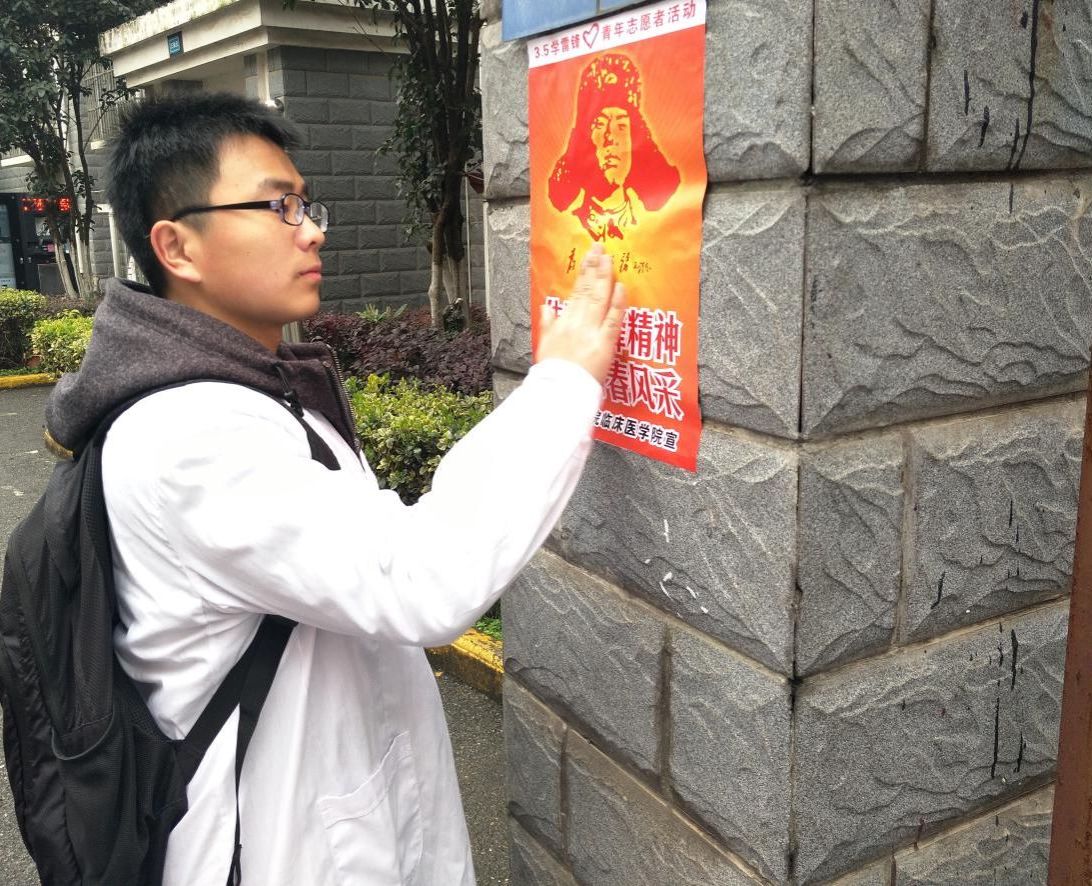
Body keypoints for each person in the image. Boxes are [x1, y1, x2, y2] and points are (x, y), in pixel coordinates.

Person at [42, 91, 626, 886]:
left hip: (345, 816)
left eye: (305, 203)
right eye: (278, 206)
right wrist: (563, 383)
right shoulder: (187, 437)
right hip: (274, 850)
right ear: (177, 247)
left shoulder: (256, 389)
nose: (312, 229)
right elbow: (418, 576)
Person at [548, 52, 682, 243]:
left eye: (621, 126)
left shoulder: (655, 228)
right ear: (584, 140)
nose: (610, 138)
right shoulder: (563, 227)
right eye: (600, 125)